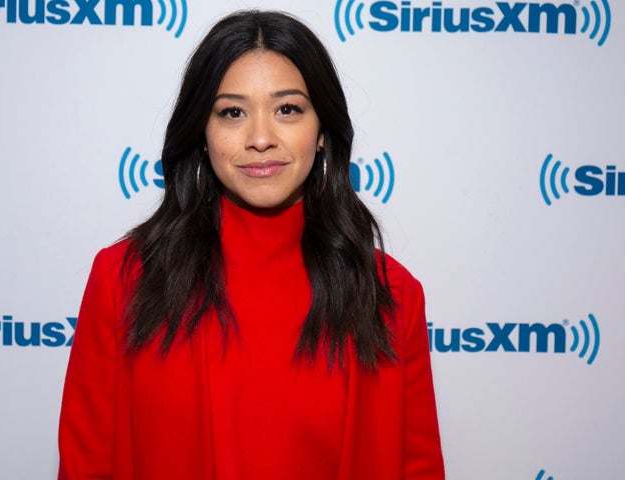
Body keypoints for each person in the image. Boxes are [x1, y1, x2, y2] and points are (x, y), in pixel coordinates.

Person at [58, 9, 444, 479]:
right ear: (202, 133)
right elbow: (85, 465)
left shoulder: (393, 296)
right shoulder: (123, 280)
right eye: (232, 112)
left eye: (288, 109)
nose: (260, 138)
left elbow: (416, 468)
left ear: (322, 132)